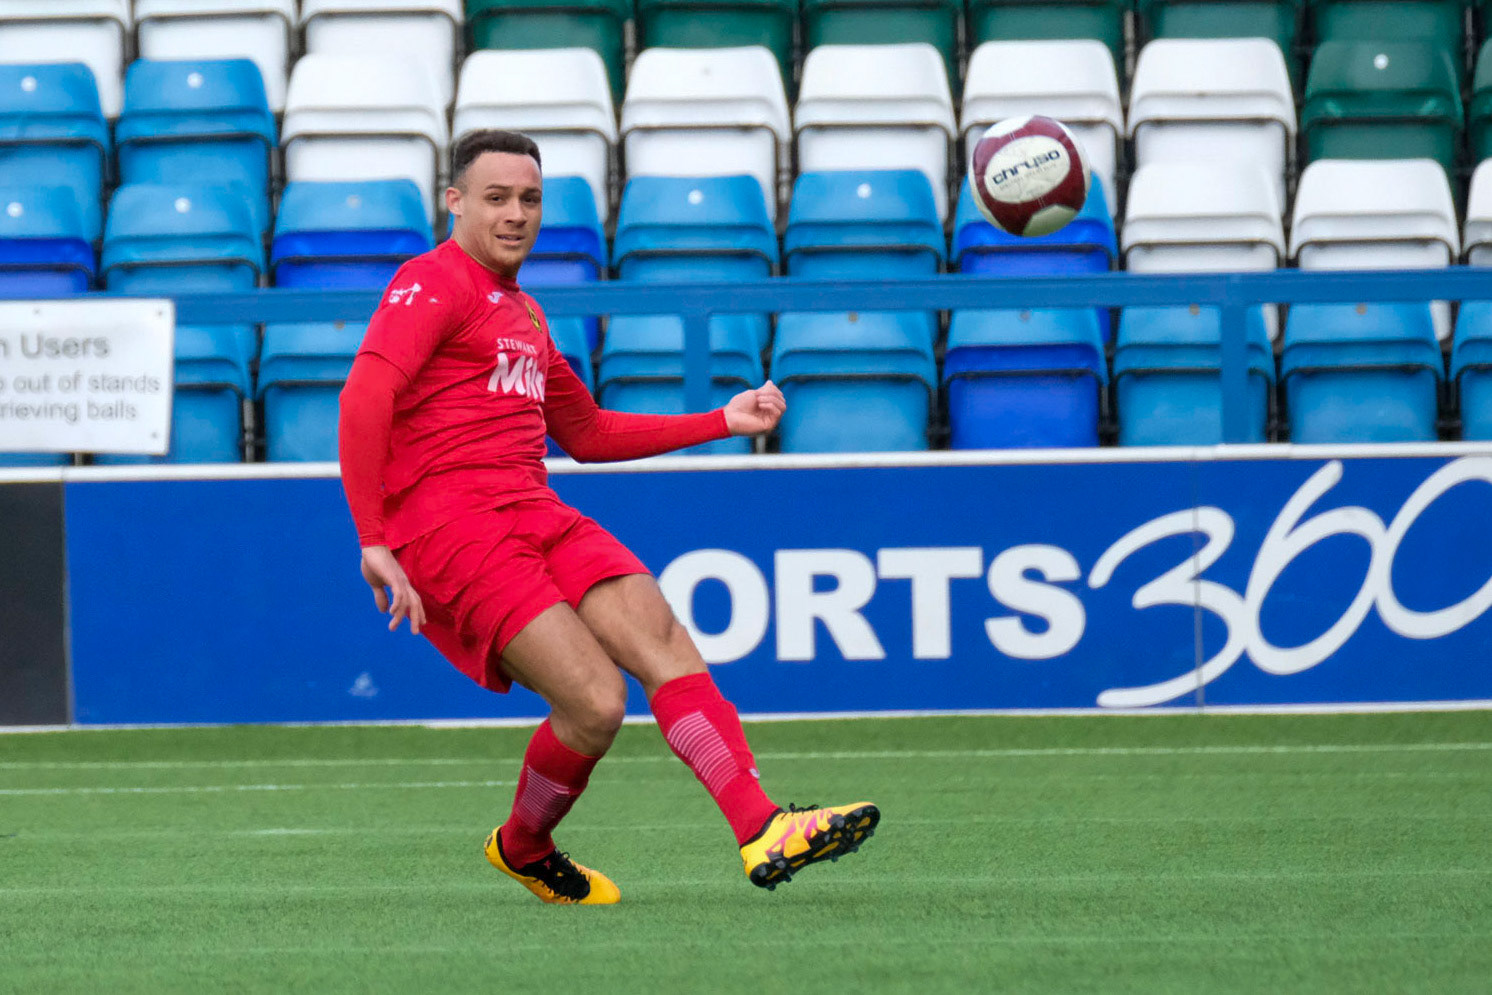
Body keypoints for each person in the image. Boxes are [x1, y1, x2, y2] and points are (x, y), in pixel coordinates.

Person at [338, 129, 879, 905]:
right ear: (453, 202)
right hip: (453, 528)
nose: (515, 213)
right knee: (594, 703)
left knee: (661, 636)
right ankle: (524, 846)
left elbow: (585, 433)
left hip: (535, 508)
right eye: (495, 197)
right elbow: (364, 395)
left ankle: (762, 825)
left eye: (529, 198)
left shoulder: (523, 311)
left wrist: (720, 420)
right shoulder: (431, 283)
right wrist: (373, 538)